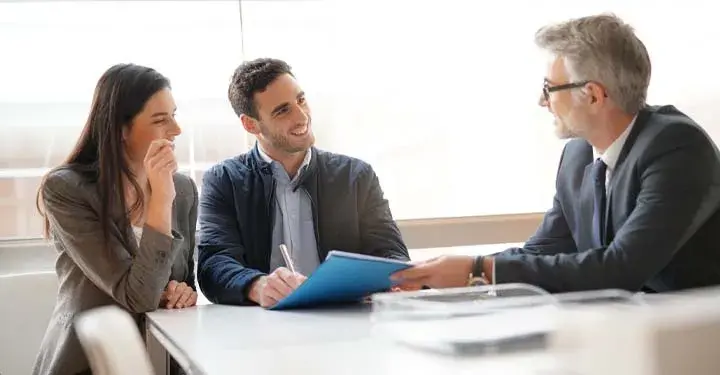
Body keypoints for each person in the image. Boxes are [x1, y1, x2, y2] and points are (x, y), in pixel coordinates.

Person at [393, 13, 720, 294]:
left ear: (592, 96)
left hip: (697, 331)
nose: (541, 100)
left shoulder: (676, 148)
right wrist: (434, 274)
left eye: (549, 88)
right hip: (635, 324)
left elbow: (623, 267)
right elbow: (542, 251)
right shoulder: (577, 156)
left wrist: (478, 271)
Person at [197, 58, 409, 308]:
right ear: (251, 124)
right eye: (282, 110)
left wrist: (398, 279)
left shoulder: (356, 176)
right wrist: (258, 286)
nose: (302, 116)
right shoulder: (223, 181)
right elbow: (214, 264)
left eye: (301, 100)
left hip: (347, 323)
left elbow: (391, 253)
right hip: (263, 329)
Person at [33, 64, 198, 375]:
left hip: (164, 357)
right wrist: (161, 201)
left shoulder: (185, 189)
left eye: (174, 115)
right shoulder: (67, 190)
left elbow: (183, 279)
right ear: (121, 129)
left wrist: (181, 291)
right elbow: (138, 296)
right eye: (161, 120)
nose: (176, 130)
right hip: (90, 363)